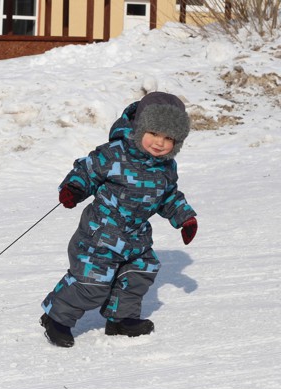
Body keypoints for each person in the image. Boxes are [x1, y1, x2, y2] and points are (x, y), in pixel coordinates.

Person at [40, 91, 198, 348]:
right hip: (99, 236)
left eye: (169, 138)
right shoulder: (114, 153)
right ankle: (56, 318)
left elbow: (169, 196)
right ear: (140, 128)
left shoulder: (166, 167)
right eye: (154, 133)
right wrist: (75, 188)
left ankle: (121, 318)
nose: (160, 143)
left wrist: (185, 218)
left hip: (136, 237)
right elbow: (86, 170)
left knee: (139, 273)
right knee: (92, 284)